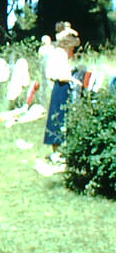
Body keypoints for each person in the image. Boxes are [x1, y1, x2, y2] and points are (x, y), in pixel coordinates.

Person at [44, 31, 80, 164]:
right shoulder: (61, 54)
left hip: (58, 87)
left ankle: (58, 151)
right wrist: (74, 80)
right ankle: (57, 152)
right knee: (59, 118)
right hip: (61, 87)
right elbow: (61, 75)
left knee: (57, 117)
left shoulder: (56, 53)